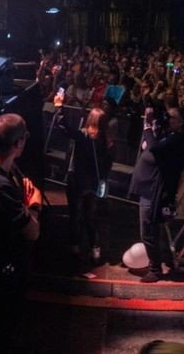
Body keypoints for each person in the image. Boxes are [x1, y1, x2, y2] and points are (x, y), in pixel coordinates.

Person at [0, 113, 43, 350]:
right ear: (18, 143)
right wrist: (34, 204)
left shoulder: (2, 167)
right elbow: (32, 232)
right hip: (4, 270)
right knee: (4, 326)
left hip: (8, 264)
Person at [127, 105, 184, 283]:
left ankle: (155, 269)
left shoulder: (178, 139)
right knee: (149, 230)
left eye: (172, 117)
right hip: (147, 189)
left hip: (154, 192)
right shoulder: (166, 134)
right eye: (167, 117)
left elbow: (154, 148)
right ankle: (157, 263)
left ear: (181, 122)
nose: (167, 120)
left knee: (148, 231)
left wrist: (147, 126)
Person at [65, 106, 114, 265]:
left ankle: (75, 248)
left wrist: (59, 109)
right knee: (90, 217)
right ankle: (95, 249)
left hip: (76, 179)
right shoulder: (107, 141)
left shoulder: (83, 135)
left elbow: (65, 127)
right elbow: (107, 165)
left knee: (75, 215)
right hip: (93, 182)